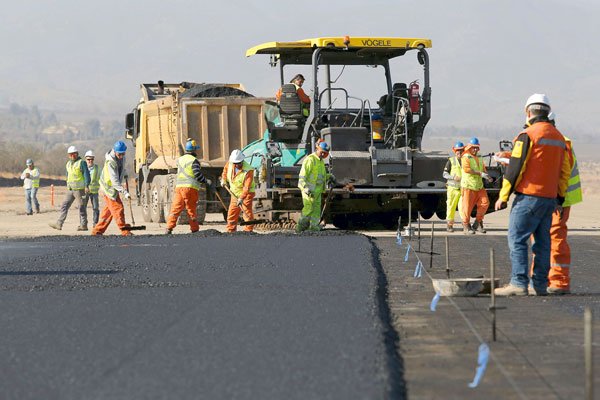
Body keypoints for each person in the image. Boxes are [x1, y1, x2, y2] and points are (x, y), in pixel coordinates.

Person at [494, 94, 570, 296]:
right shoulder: (559, 137)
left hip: (528, 198)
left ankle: (518, 283)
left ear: (528, 112)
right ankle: (539, 285)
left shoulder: (527, 135)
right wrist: (560, 199)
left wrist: (503, 196)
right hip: (549, 200)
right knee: (543, 244)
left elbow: (516, 167)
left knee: (517, 240)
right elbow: (564, 172)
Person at [544, 113, 582, 295]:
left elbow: (562, 172)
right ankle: (543, 279)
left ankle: (559, 281)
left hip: (559, 199)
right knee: (543, 238)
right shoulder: (554, 140)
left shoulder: (560, 142)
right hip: (550, 198)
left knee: (555, 238)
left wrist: (558, 199)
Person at [165, 139, 211, 234]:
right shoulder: (194, 161)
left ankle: (169, 228)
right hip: (190, 188)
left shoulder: (180, 159)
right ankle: (194, 229)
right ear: (194, 150)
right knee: (191, 209)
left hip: (179, 188)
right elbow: (197, 175)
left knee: (175, 208)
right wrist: (206, 181)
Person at [91, 141, 133, 236]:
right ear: (115, 151)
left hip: (113, 188)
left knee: (108, 211)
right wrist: (124, 192)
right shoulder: (110, 162)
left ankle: (97, 231)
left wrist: (124, 172)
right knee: (118, 208)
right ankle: (124, 230)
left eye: (123, 153)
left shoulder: (121, 157)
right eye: (120, 154)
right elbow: (114, 181)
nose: (121, 156)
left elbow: (120, 168)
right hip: (109, 188)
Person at [49, 146, 90, 231]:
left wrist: (86, 185)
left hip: (80, 189)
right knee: (64, 205)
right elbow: (68, 175)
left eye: (74, 154)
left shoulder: (82, 163)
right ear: (68, 155)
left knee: (81, 207)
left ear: (77, 154)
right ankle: (59, 224)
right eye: (70, 154)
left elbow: (86, 175)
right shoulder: (68, 163)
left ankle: (84, 225)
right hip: (70, 189)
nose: (72, 156)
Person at [296, 141, 333, 232]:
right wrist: (305, 188)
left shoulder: (320, 162)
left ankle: (314, 227)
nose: (323, 154)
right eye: (322, 152)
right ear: (317, 149)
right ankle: (300, 228)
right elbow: (302, 176)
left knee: (316, 211)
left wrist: (330, 176)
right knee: (308, 210)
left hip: (317, 192)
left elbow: (321, 176)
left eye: (325, 153)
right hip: (309, 192)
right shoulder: (310, 159)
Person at [460, 137, 492, 234]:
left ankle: (477, 223)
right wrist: (480, 174)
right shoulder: (465, 157)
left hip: (479, 186)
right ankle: (466, 226)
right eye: (473, 147)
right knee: (467, 207)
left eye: (476, 148)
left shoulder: (479, 157)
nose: (475, 149)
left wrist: (487, 176)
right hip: (468, 186)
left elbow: (483, 168)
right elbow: (467, 169)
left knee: (485, 203)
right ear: (469, 147)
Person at [221, 149, 255, 232]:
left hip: (247, 194)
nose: (236, 165)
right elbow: (225, 172)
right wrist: (223, 179)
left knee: (246, 212)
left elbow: (247, 187)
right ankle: (231, 231)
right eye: (235, 163)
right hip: (234, 193)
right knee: (232, 213)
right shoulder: (230, 163)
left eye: (238, 163)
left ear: (242, 160)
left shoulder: (248, 170)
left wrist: (241, 198)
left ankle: (248, 231)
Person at [442, 141, 464, 232]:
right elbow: (444, 174)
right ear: (455, 151)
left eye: (461, 150)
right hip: (452, 188)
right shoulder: (451, 161)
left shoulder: (466, 161)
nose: (459, 152)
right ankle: (449, 225)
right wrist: (453, 177)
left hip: (463, 188)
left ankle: (465, 225)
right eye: (457, 150)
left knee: (463, 207)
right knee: (451, 207)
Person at [81, 150, 101, 227]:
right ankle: (83, 223)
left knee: (95, 208)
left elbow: (101, 178)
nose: (90, 161)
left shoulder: (97, 168)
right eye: (88, 159)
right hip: (84, 191)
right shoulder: (82, 168)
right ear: (85, 159)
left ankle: (95, 224)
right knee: (83, 208)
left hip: (94, 192)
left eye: (92, 159)